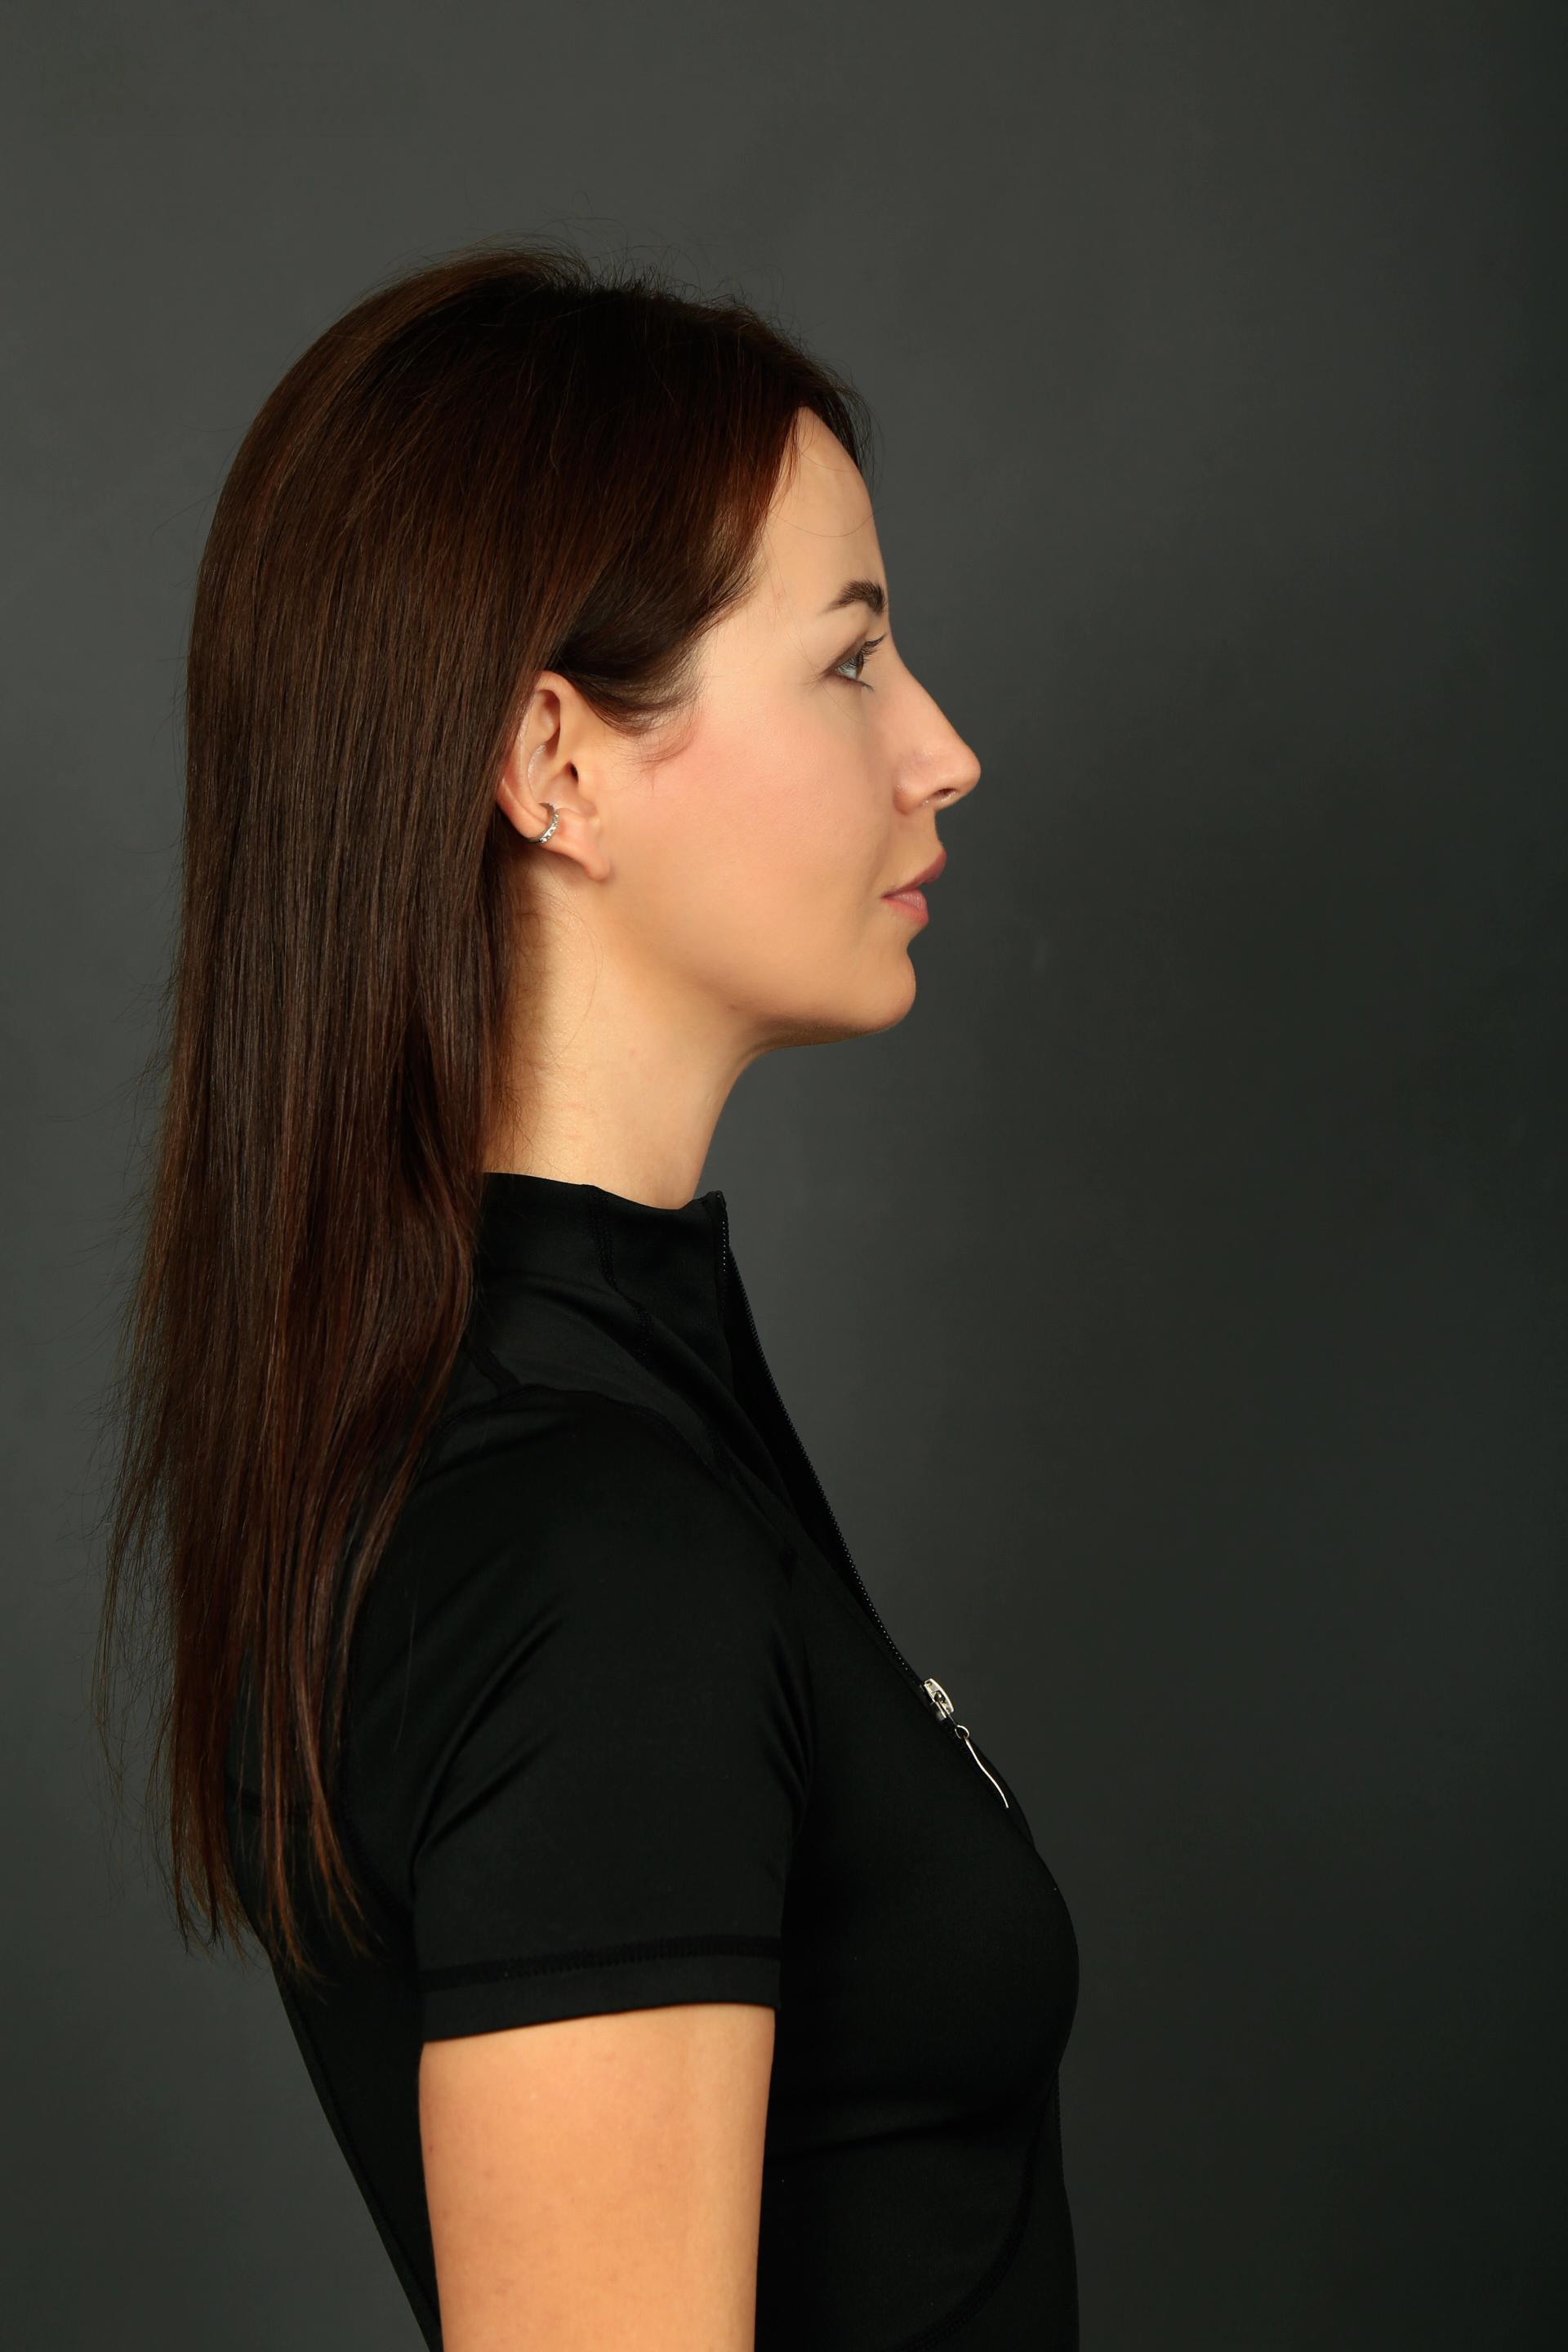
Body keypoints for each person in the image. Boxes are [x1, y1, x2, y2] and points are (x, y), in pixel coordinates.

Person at [96, 241, 1080, 2349]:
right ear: (554, 763)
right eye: (851, 658)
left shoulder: (602, 1427)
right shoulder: (585, 1564)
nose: (942, 749)